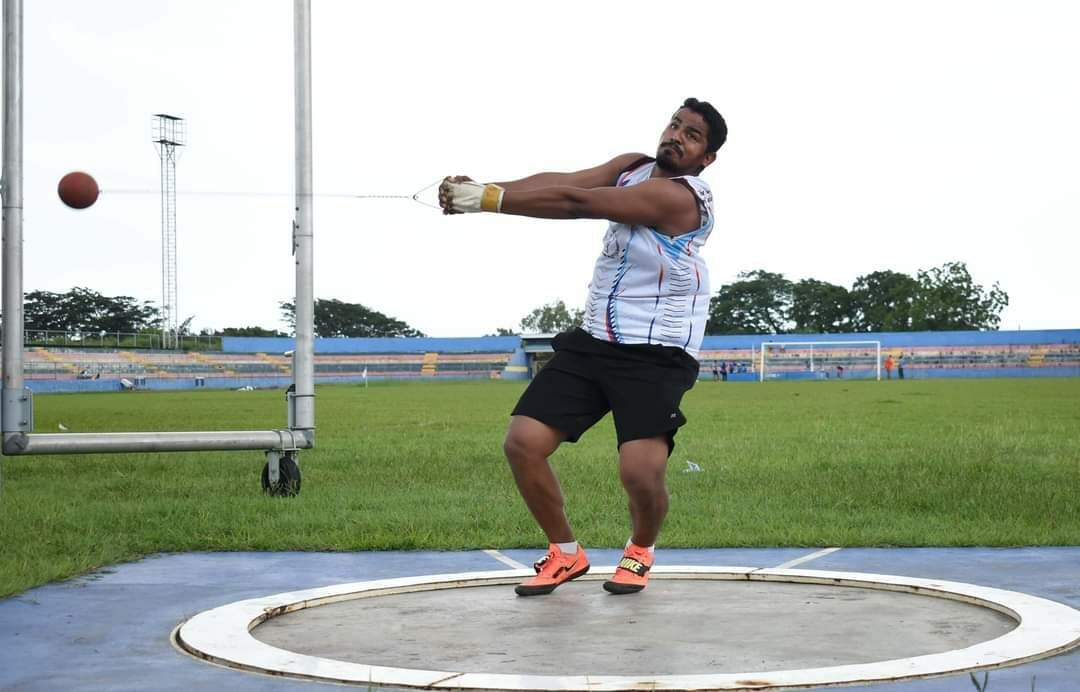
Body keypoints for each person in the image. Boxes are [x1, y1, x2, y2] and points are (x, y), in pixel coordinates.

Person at [440, 98, 726, 596]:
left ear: (706, 158)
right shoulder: (630, 167)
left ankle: (640, 549)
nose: (677, 136)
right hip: (594, 340)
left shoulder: (683, 198)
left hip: (656, 352)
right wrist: (486, 188)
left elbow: (578, 203)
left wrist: (489, 203)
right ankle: (565, 554)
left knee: (640, 470)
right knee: (523, 442)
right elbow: (564, 181)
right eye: (675, 124)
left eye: (693, 135)